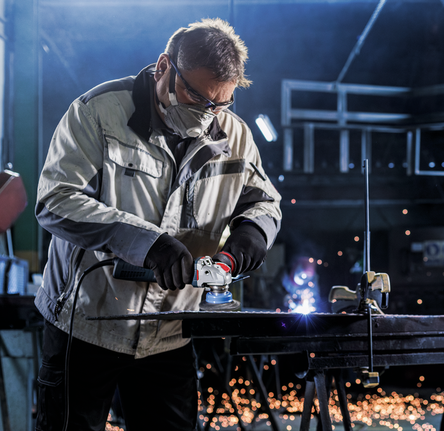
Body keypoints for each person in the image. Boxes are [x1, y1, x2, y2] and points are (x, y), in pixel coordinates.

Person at [33, 18, 282, 430]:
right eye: (196, 96)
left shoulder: (234, 136)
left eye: (221, 103)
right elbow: (55, 200)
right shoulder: (99, 113)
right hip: (85, 321)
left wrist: (248, 240)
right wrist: (148, 242)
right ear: (165, 66)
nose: (207, 114)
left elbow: (264, 202)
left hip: (168, 331)